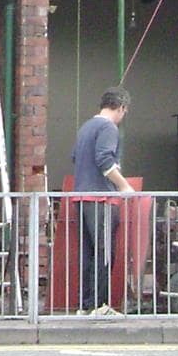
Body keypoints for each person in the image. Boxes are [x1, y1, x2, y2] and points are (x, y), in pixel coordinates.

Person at [71, 87, 136, 315]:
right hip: (102, 199)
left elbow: (75, 157)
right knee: (105, 253)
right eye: (124, 112)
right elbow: (104, 160)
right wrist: (123, 185)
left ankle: (85, 306)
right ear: (121, 108)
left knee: (87, 254)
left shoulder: (86, 127)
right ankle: (99, 306)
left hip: (80, 198)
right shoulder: (109, 128)